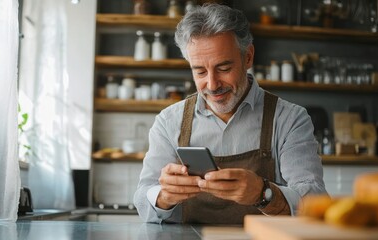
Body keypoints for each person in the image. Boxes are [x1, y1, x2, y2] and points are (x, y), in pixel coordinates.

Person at [133, 3, 327, 224]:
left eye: (224, 68)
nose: (212, 84)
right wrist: (165, 196)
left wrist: (263, 194)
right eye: (200, 71)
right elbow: (142, 199)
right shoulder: (169, 122)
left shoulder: (290, 120)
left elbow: (315, 201)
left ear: (248, 57)